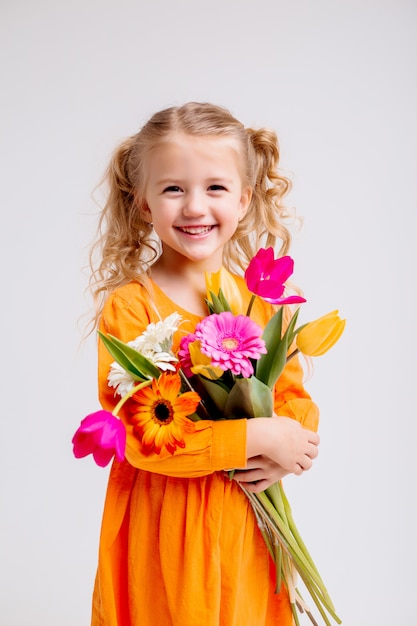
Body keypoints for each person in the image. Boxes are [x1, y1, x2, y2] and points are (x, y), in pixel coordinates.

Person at [87, 102, 320, 626]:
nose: (194, 207)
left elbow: (293, 403)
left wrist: (290, 450)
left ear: (244, 198)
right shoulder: (133, 307)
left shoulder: (265, 303)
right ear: (143, 203)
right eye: (173, 189)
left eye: (214, 188)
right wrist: (256, 438)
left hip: (246, 524)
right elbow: (141, 438)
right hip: (164, 525)